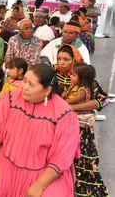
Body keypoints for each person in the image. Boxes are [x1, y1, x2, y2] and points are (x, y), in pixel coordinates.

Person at [0, 64, 80, 196]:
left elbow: (62, 158)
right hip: (5, 163)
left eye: (31, 85)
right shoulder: (9, 98)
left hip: (45, 173)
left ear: (47, 90)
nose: (24, 86)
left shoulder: (65, 115)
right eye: (25, 81)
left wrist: (39, 186)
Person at [52, 46, 108, 196]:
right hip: (57, 126)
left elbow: (100, 101)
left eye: (66, 59)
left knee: (80, 159)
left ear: (74, 60)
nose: (62, 63)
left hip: (80, 128)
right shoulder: (51, 76)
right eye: (59, 59)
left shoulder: (87, 82)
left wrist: (72, 107)